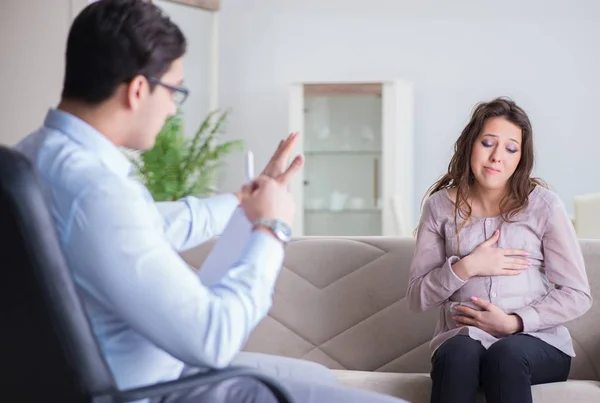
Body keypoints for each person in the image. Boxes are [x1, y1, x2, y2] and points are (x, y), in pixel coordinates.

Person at [14, 1, 408, 402]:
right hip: (157, 389)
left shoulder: (35, 158)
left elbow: (150, 224)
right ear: (137, 90)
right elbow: (214, 335)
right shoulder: (96, 191)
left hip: (132, 373)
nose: (172, 109)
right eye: (174, 91)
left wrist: (245, 200)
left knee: (316, 377)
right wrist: (271, 228)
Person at [407, 97, 593, 403]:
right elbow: (417, 298)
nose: (497, 157)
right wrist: (467, 266)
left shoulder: (544, 206)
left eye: (510, 148)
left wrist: (516, 322)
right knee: (457, 354)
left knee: (505, 355)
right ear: (470, 145)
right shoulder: (439, 207)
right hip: (464, 339)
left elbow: (577, 294)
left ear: (521, 157)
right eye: (488, 143)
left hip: (537, 343)